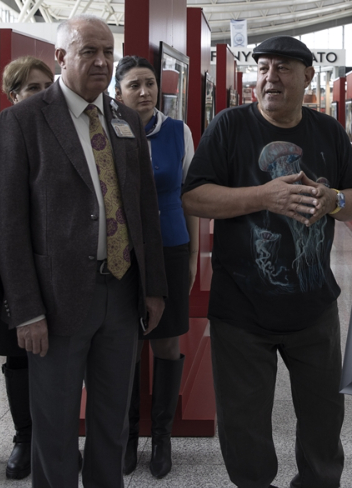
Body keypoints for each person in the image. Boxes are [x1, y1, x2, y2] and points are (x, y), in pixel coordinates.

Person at [181, 35, 352, 488]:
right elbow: (194, 196)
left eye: (283, 67)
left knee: (324, 423)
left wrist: (333, 200)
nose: (270, 76)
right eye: (263, 67)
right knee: (244, 431)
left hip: (315, 310)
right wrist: (266, 195)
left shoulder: (327, 132)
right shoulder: (229, 128)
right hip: (241, 313)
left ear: (307, 76)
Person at [0, 15, 167, 488]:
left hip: (122, 293)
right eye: (89, 51)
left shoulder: (124, 118)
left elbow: (143, 209)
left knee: (112, 422)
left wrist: (154, 289)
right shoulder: (23, 121)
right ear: (62, 56)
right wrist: (25, 311)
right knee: (55, 426)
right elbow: (7, 226)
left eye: (108, 51)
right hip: (56, 300)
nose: (102, 61)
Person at [113, 55, 199, 478]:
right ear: (119, 92)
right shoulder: (107, 132)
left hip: (169, 247)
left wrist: (194, 255)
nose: (145, 92)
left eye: (150, 83)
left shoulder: (178, 132)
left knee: (166, 344)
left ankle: (161, 436)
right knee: (125, 345)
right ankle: (128, 435)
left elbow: (190, 197)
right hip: (122, 253)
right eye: (134, 85)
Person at [0, 55, 55, 480]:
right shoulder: (1, 133)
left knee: (56, 358)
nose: (42, 95)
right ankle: (24, 436)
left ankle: (55, 437)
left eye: (46, 86)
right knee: (19, 356)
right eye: (32, 89)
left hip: (57, 268)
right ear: (14, 95)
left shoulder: (62, 130)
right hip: (11, 269)